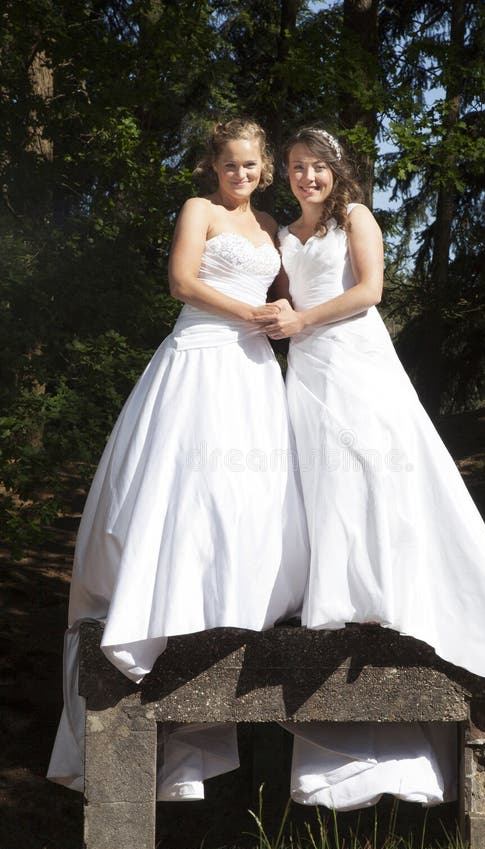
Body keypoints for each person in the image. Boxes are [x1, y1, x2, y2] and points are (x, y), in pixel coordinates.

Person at [263, 127, 485, 811]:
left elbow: (370, 291)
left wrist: (302, 319)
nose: (306, 176)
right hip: (308, 372)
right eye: (296, 167)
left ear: (338, 171)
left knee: (370, 470)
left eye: (317, 167)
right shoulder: (287, 234)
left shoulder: (355, 219)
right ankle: (336, 593)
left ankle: (384, 590)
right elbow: (279, 301)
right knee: (322, 481)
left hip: (354, 361)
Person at [47, 119, 309, 800]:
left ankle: (232, 605)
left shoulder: (274, 224)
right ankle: (164, 605)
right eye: (231, 165)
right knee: (187, 487)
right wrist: (252, 313)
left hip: (253, 371)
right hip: (200, 360)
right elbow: (181, 281)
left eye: (251, 166)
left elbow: (293, 288)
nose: (241, 175)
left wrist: (292, 315)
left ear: (266, 168)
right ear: (213, 166)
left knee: (248, 491)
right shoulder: (200, 211)